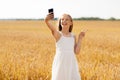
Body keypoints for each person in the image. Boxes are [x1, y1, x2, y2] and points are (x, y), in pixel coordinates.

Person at [45, 12, 85, 80]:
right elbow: (52, 29)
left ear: (71, 23)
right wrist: (46, 21)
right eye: (62, 19)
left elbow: (76, 52)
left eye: (66, 19)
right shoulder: (58, 35)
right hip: (61, 62)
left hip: (71, 62)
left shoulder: (73, 36)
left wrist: (80, 38)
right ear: (60, 22)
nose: (64, 21)